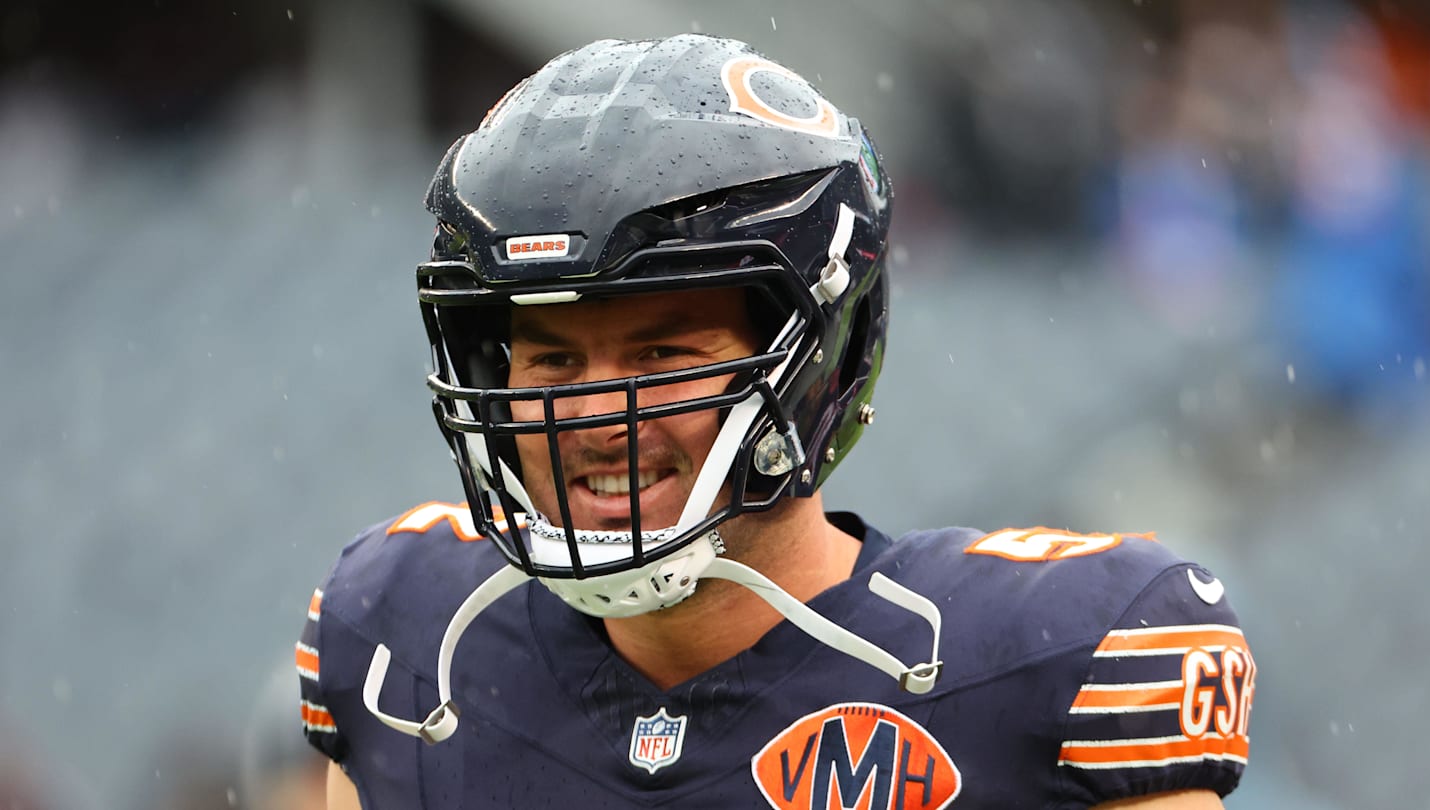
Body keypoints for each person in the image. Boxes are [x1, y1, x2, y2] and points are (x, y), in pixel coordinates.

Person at [297, 34, 1255, 809]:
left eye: (662, 356)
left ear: (815, 364)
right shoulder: (404, 640)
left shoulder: (1048, 657)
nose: (591, 416)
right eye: (552, 360)